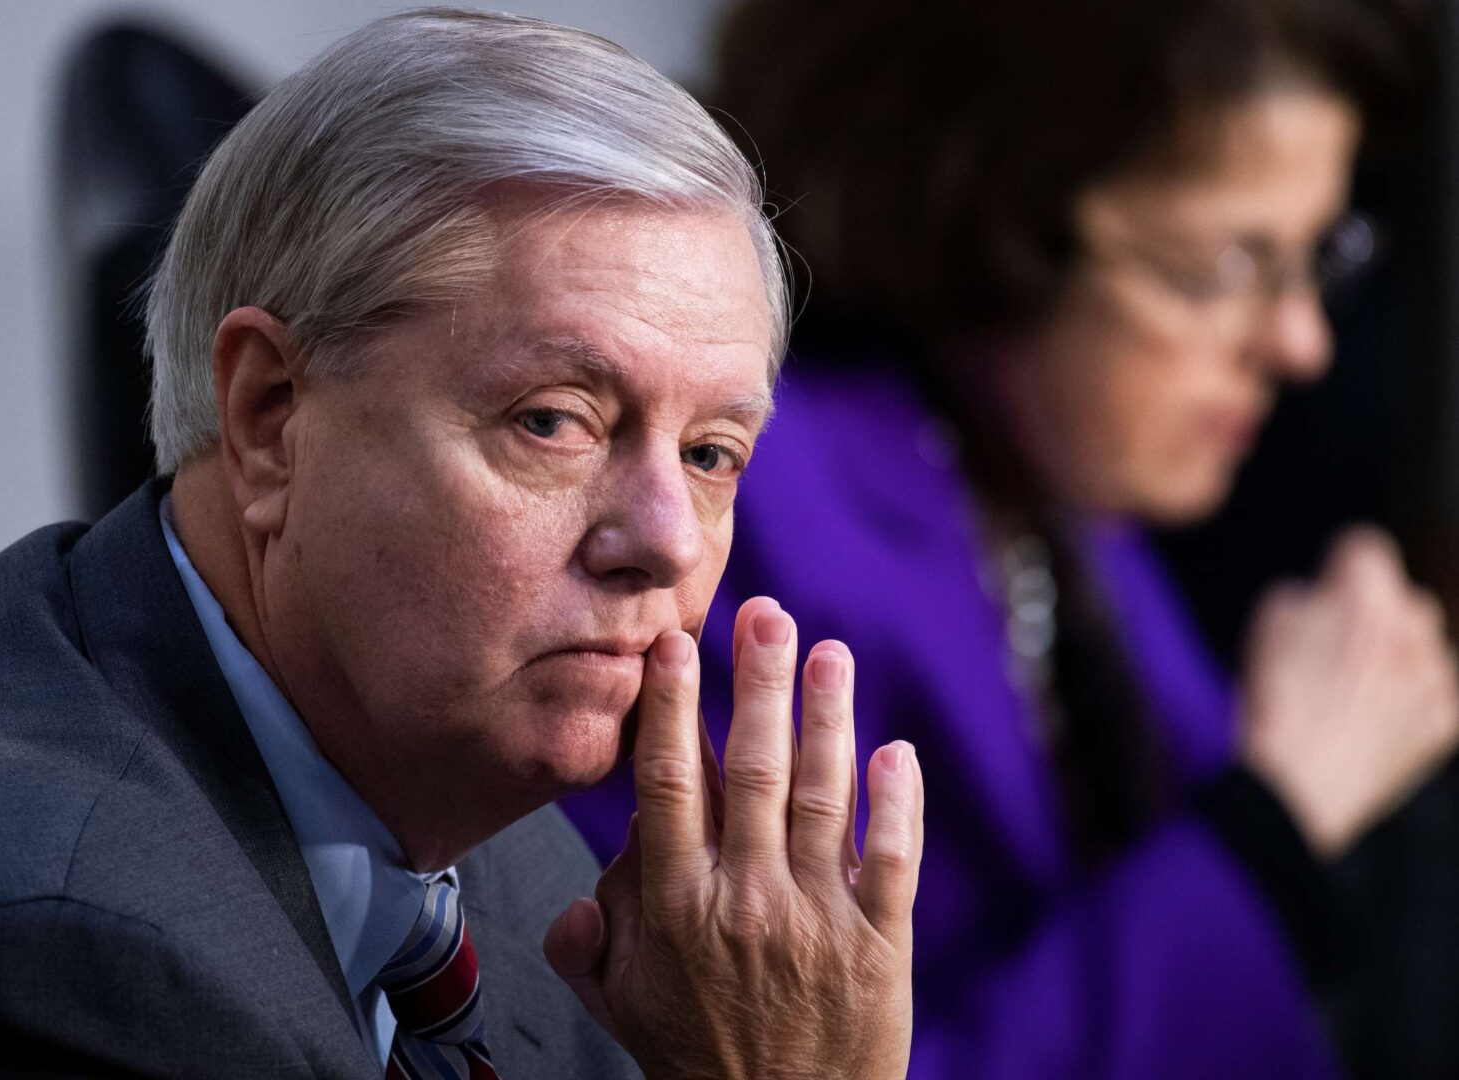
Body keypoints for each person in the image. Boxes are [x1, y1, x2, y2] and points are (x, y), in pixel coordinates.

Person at [0, 10, 925, 1078]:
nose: (667, 541)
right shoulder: (68, 968)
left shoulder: (456, 783)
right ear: (270, 417)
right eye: (553, 421)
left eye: (710, 453)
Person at [557, 1, 1459, 1076]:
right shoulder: (744, 513)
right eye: (1224, 266)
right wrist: (1278, 816)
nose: (1303, 341)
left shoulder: (1056, 504)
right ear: (986, 208)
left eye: (1319, 257)